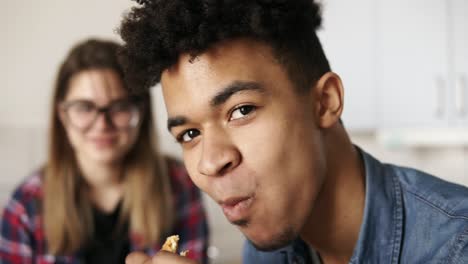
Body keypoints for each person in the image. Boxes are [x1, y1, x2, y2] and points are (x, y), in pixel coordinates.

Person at [118, 0, 468, 263]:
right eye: (189, 135)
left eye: (241, 110)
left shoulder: (455, 246)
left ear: (325, 102)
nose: (210, 162)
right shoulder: (269, 246)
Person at [0, 39, 209, 264]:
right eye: (84, 107)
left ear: (141, 112)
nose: (102, 125)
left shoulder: (179, 186)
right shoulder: (25, 206)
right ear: (62, 115)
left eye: (119, 107)